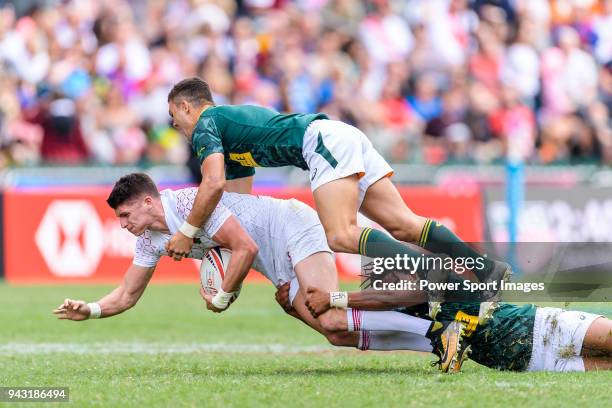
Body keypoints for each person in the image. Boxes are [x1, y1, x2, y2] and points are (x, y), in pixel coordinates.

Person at [165, 76, 511, 322]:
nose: (176, 126)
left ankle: (440, 277)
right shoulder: (228, 138)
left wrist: (187, 231)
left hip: (321, 143)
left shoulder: (207, 122)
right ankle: (488, 270)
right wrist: (230, 265)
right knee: (403, 225)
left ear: (185, 107)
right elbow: (239, 210)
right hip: (340, 135)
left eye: (174, 118)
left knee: (341, 234)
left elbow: (211, 184)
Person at [53, 173, 466, 372]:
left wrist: (222, 296)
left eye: (126, 215)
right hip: (275, 259)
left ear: (147, 201)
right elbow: (126, 294)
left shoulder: (186, 205)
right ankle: (437, 341)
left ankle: (441, 319)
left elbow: (244, 247)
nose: (123, 225)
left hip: (291, 225)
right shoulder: (150, 239)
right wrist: (88, 309)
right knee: (336, 333)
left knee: (334, 314)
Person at [297, 284, 612, 372]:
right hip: (535, 364)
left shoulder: (438, 285)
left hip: (545, 326)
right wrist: (299, 308)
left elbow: (391, 295)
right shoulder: (425, 333)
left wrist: (334, 297)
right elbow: (339, 333)